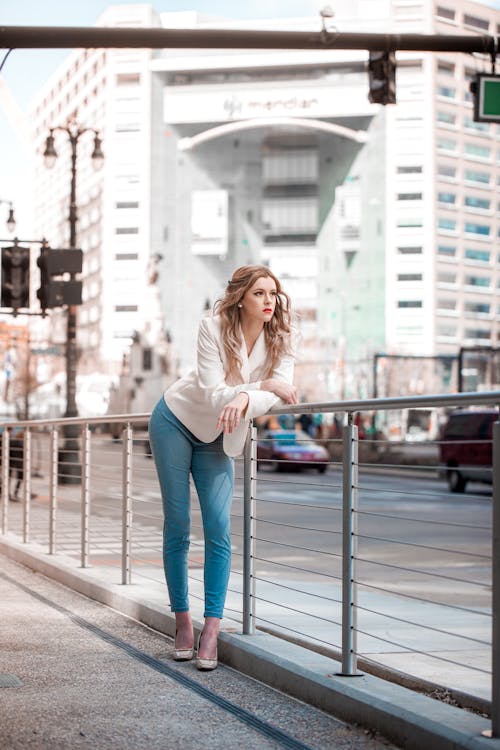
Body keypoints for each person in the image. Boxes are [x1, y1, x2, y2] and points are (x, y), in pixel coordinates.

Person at [148, 265, 298, 670]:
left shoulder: (283, 336)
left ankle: (211, 629)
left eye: (273, 293)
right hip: (176, 421)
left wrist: (249, 399)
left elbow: (286, 392)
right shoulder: (211, 327)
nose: (269, 301)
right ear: (240, 298)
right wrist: (262, 387)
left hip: (221, 434)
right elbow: (218, 396)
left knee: (218, 530)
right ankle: (182, 621)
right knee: (178, 523)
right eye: (259, 294)